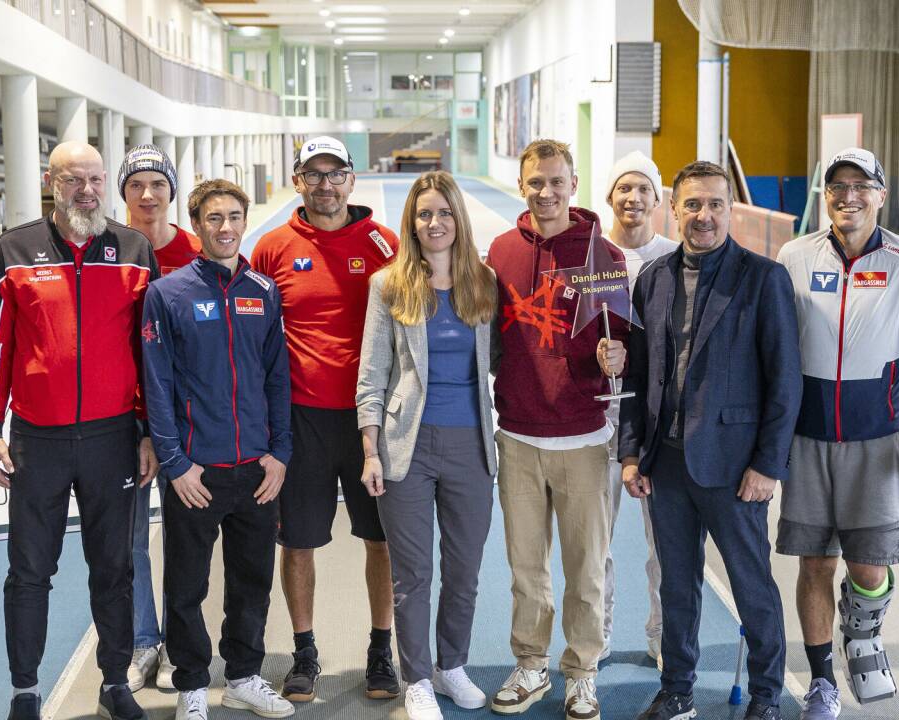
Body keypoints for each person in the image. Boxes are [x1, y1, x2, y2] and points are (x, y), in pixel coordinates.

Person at [0, 141, 159, 720]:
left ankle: (114, 682)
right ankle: (25, 690)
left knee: (114, 568)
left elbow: (149, 353)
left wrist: (151, 432)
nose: (87, 190)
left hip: (114, 441)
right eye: (74, 179)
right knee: (29, 571)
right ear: (51, 182)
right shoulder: (14, 250)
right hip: (39, 441)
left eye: (96, 179)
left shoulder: (134, 251)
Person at [616, 160, 801, 720]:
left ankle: (766, 695)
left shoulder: (764, 279)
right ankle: (677, 690)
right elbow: (640, 375)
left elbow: (785, 381)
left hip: (735, 466)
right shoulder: (654, 278)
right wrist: (632, 451)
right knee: (677, 587)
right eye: (693, 204)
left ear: (730, 210)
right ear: (674, 209)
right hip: (666, 464)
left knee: (752, 587)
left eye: (716, 204)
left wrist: (767, 465)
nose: (704, 215)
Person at [774, 148, 899, 719]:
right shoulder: (794, 255)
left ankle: (863, 631)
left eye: (860, 186)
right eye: (836, 186)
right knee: (814, 563)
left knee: (869, 566)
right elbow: (776, 349)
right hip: (807, 438)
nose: (848, 196)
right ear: (825, 195)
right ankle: (823, 679)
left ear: (880, 193)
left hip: (878, 437)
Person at [250, 136, 400, 702]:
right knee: (300, 543)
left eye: (335, 173)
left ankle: (381, 651)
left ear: (352, 180)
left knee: (380, 539)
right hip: (301, 420)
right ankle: (304, 652)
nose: (325, 184)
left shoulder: (385, 244)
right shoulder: (272, 248)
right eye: (313, 175)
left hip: (371, 422)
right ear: (297, 182)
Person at [142, 179, 295, 720]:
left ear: (244, 220)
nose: (225, 227)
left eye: (234, 217)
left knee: (251, 581)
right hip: (196, 472)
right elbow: (155, 384)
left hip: (256, 468)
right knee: (186, 583)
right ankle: (190, 684)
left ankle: (244, 676)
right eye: (214, 219)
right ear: (198, 224)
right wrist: (176, 463)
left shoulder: (263, 290)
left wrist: (280, 451)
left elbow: (278, 378)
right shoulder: (168, 294)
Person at [486, 138, 625, 720]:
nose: (546, 192)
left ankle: (583, 670)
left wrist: (619, 360)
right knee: (526, 569)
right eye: (535, 182)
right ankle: (531, 663)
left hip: (584, 438)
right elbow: (488, 336)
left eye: (556, 181)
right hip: (517, 434)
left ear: (573, 184)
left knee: (587, 571)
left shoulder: (604, 256)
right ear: (523, 185)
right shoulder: (499, 251)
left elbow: (626, 341)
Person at [355, 171, 498, 720]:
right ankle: (415, 677)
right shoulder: (388, 285)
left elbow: (501, 361)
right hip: (403, 447)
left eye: (443, 212)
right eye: (423, 214)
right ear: (411, 224)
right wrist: (371, 450)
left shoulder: (483, 283)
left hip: (471, 445)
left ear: (457, 218)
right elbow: (372, 376)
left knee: (463, 568)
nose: (434, 223)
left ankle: (450, 666)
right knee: (413, 574)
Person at [119, 143, 200, 692]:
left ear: (172, 191)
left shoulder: (197, 252)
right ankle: (143, 640)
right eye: (136, 185)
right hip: (122, 419)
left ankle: (178, 644)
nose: (148, 195)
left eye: (158, 184)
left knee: (183, 538)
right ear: (123, 193)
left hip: (185, 422)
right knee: (127, 540)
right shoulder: (111, 251)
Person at [600, 151, 677, 666]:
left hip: (656, 419)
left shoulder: (675, 256)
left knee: (667, 541)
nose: (633, 198)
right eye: (624, 188)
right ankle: (596, 632)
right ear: (610, 196)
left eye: (643, 189)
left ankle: (663, 634)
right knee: (593, 544)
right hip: (597, 417)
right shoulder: (588, 258)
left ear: (656, 199)